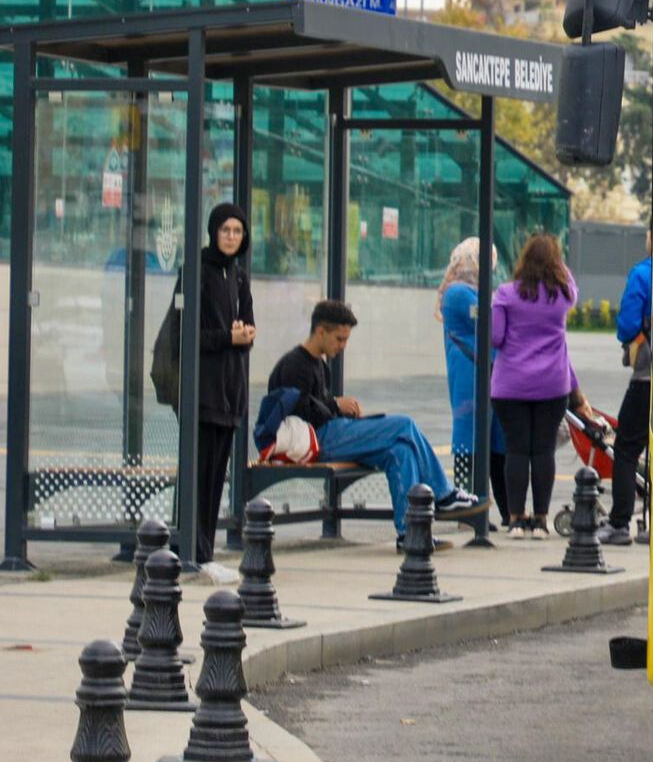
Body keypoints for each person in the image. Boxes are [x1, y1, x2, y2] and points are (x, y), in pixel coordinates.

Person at [266, 300, 486, 550]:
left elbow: (316, 405)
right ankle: (444, 495)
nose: (342, 346)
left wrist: (338, 408)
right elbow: (299, 411)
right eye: (339, 339)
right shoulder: (295, 364)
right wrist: (337, 405)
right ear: (320, 332)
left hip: (326, 433)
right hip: (315, 439)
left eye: (346, 339)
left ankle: (411, 532)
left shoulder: (319, 364)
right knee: (403, 425)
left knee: (400, 451)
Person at [490, 233, 585, 539]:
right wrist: (559, 266)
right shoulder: (563, 294)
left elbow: (495, 338)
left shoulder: (505, 294)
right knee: (543, 451)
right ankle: (542, 520)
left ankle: (516, 519)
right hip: (552, 385)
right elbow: (570, 281)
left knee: (516, 450)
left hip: (510, 384)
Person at [191, 203, 255, 585]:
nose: (232, 237)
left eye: (237, 231)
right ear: (213, 232)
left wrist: (244, 337)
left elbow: (247, 325)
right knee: (200, 474)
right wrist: (228, 337)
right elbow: (190, 335)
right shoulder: (198, 271)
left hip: (230, 392)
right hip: (203, 391)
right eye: (226, 230)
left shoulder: (240, 277)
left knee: (217, 476)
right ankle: (196, 553)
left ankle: (205, 552)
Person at [439, 239, 508, 528]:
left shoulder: (478, 293)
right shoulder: (457, 293)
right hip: (470, 375)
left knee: (497, 442)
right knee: (469, 438)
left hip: (490, 374)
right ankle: (469, 512)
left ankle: (504, 510)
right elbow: (491, 322)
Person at [606, 231, 653, 547]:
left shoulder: (643, 273)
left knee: (626, 448)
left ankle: (619, 523)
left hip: (647, 373)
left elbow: (627, 324)